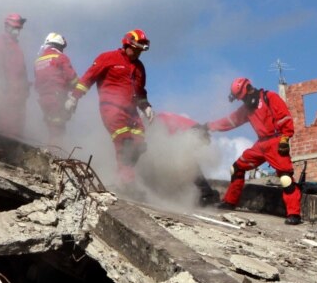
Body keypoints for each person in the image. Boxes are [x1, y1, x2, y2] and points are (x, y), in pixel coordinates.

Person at [203, 77, 303, 225]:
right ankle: (230, 202)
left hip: (275, 142)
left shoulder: (270, 97)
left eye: (242, 97)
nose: (243, 101)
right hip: (261, 144)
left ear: (249, 88)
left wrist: (285, 138)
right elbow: (230, 121)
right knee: (236, 169)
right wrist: (207, 126)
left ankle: (294, 214)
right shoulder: (246, 109)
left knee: (285, 178)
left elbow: (284, 117)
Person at [65, 29, 155, 192]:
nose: (138, 54)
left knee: (139, 145)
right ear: (127, 44)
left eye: (140, 51)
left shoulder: (140, 67)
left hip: (132, 112)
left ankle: (123, 177)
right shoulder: (107, 58)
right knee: (125, 143)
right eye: (136, 49)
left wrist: (146, 106)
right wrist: (74, 97)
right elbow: (89, 77)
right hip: (112, 108)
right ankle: (126, 182)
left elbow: (140, 91)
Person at [152, 111, 219, 206]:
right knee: (184, 163)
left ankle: (207, 195)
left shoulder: (158, 122)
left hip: (193, 132)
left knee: (186, 164)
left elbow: (167, 140)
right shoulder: (162, 116)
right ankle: (206, 194)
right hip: (197, 130)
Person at [33, 32, 79, 148]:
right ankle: (54, 155)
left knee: (51, 126)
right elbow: (72, 78)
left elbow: (41, 79)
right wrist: (74, 95)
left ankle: (50, 151)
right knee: (58, 129)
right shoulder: (61, 57)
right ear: (59, 45)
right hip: (57, 97)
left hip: (43, 98)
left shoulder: (38, 60)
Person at [0, 13, 30, 137]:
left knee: (18, 123)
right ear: (7, 26)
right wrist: (2, 82)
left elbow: (21, 69)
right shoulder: (1, 42)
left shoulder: (15, 46)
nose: (17, 31)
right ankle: (4, 148)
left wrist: (25, 86)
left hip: (18, 92)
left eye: (19, 29)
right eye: (15, 28)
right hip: (7, 90)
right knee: (6, 122)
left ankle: (15, 151)